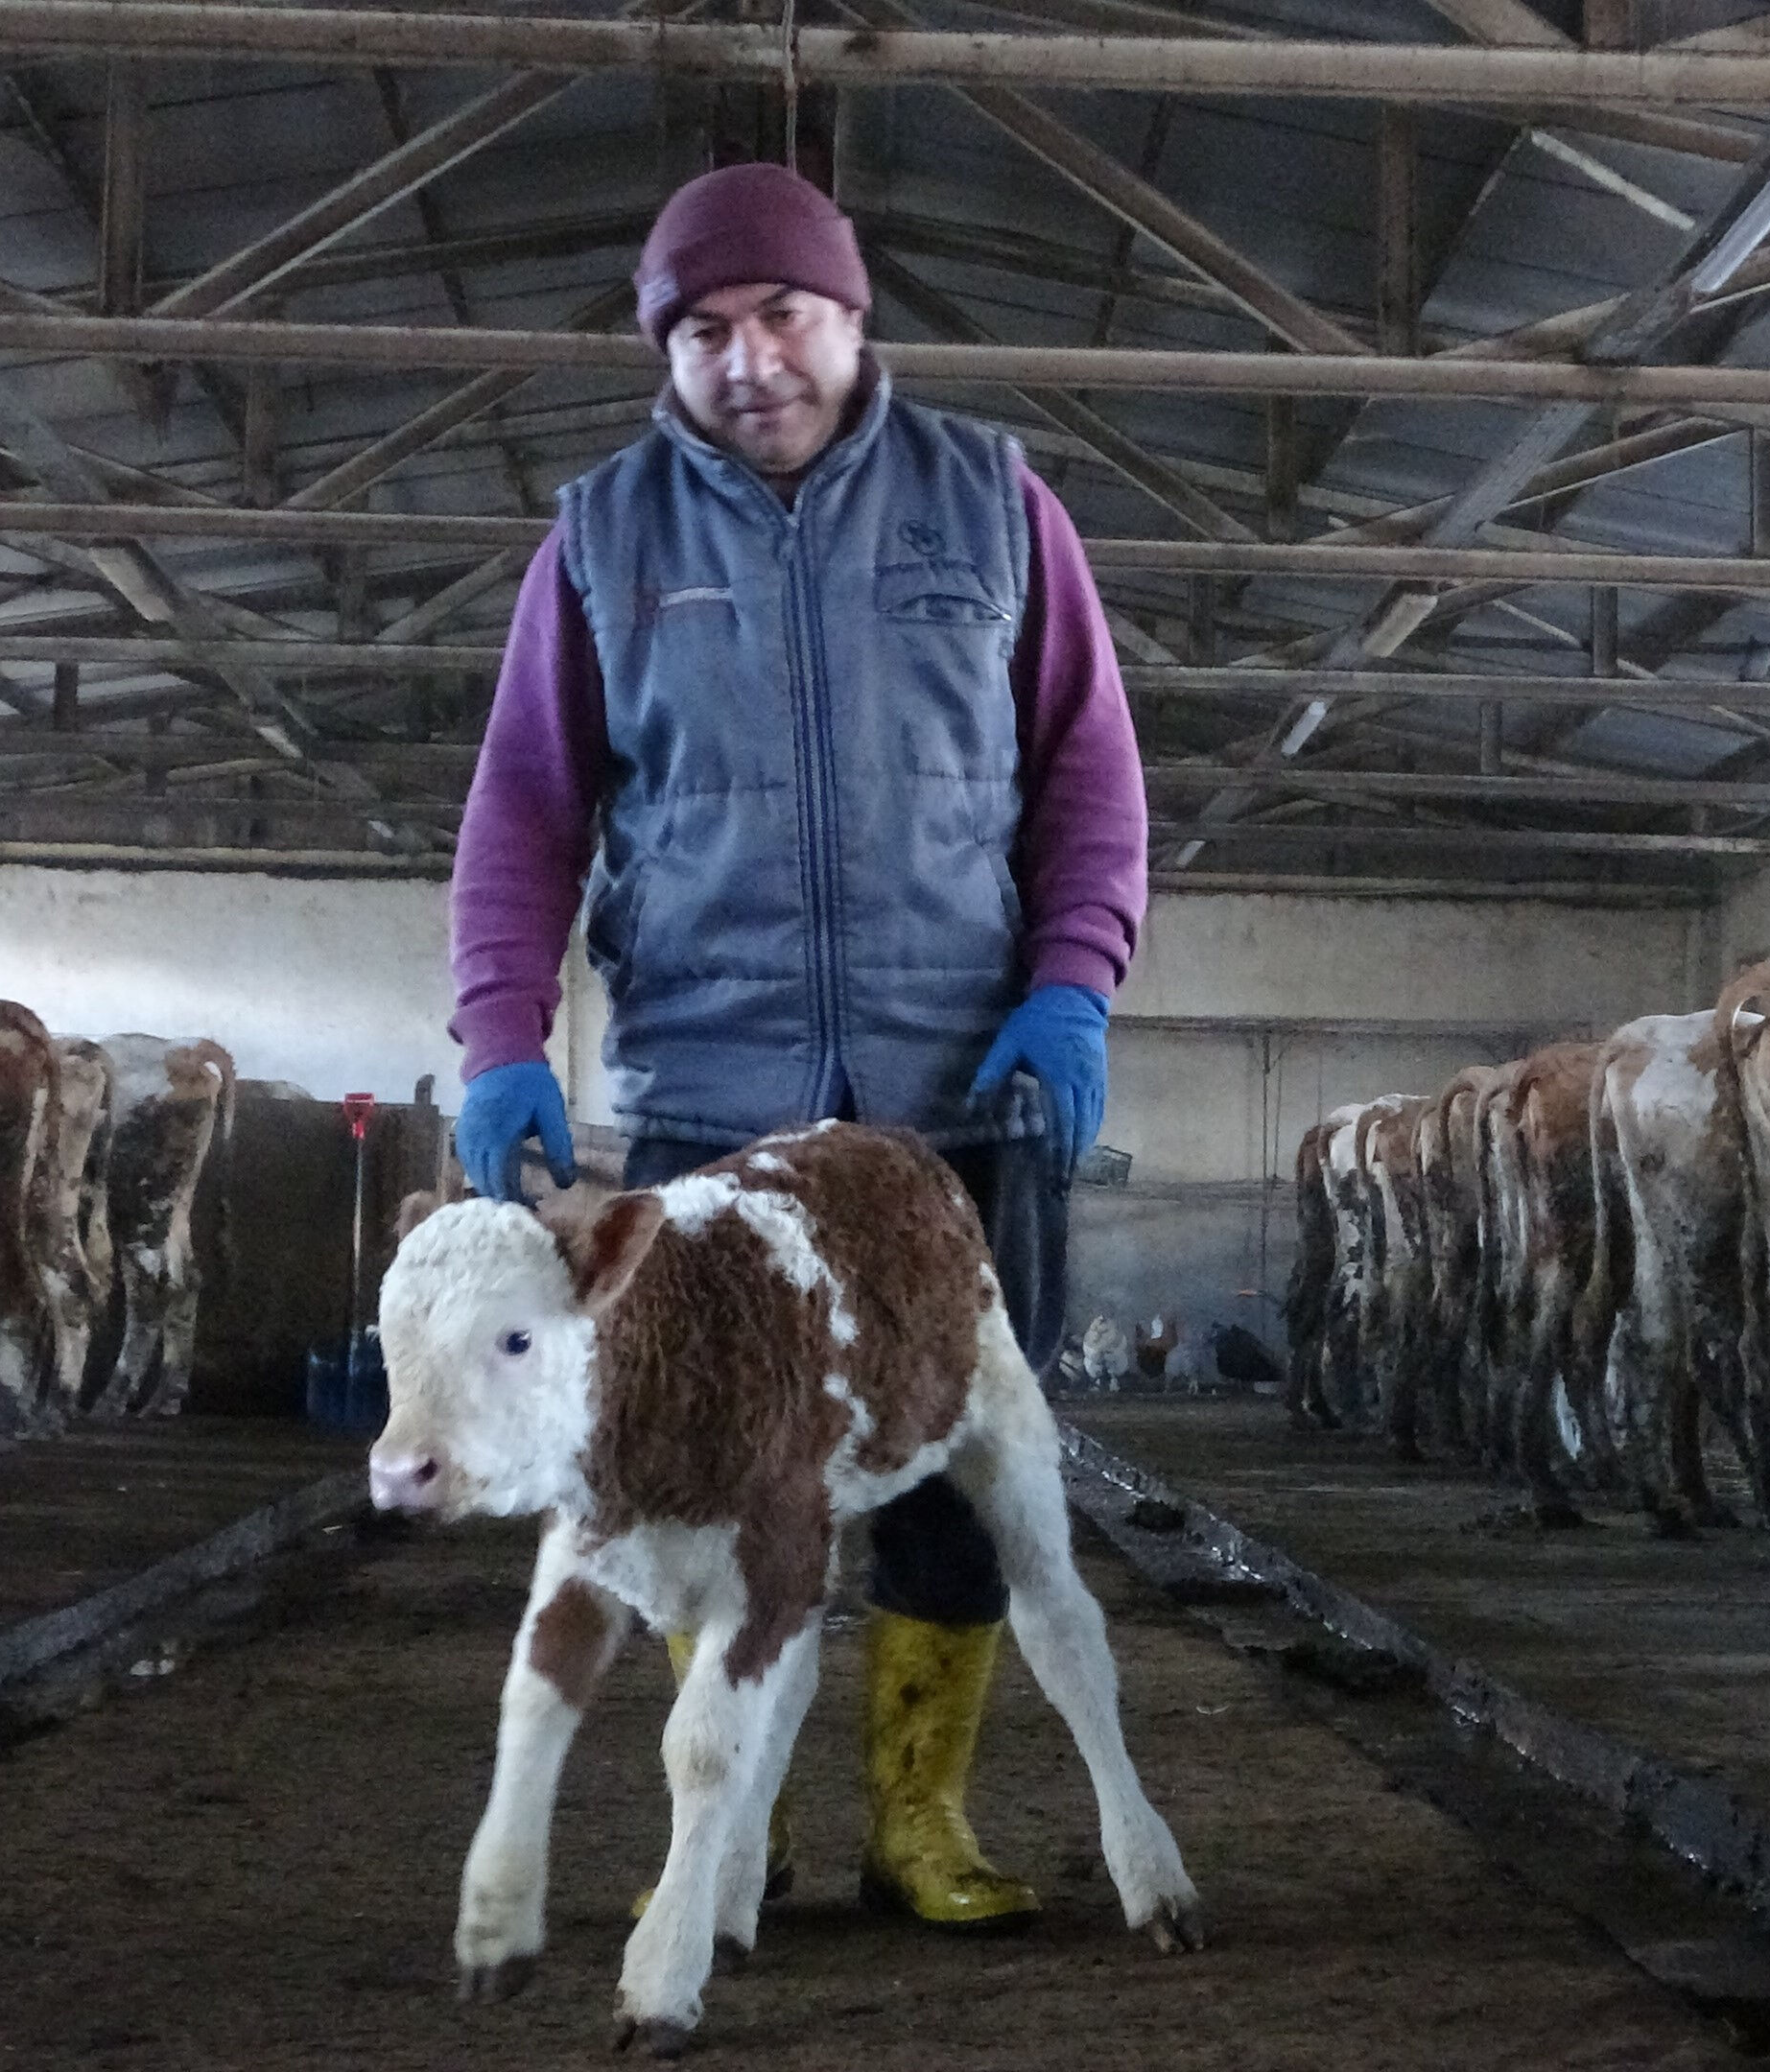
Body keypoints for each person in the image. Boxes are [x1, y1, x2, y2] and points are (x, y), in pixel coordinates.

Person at [443, 160, 1148, 1934]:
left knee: (965, 1485)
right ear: (662, 353)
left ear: (853, 318)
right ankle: (726, 1833)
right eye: (702, 331)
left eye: (783, 317)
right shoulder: (604, 538)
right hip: (709, 1100)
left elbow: (1089, 780)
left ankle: (922, 1820)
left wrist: (1072, 983)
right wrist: (498, 1035)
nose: (748, 361)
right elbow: (526, 811)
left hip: (958, 1102)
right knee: (701, 1487)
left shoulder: (996, 508)